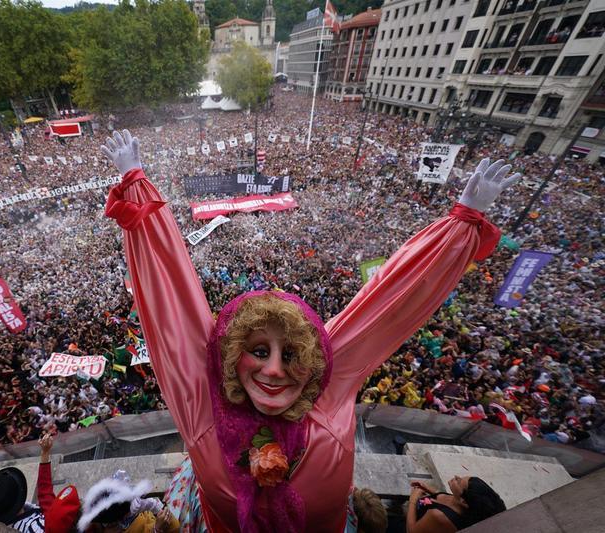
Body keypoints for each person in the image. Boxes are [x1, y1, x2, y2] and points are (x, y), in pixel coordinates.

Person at [99, 129, 522, 532]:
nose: (274, 370)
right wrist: (136, 190)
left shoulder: (329, 383)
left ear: (315, 360)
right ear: (229, 357)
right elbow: (172, 302)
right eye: (259, 351)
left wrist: (461, 226)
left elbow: (391, 300)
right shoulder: (202, 399)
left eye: (291, 355)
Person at [406, 476, 506, 532]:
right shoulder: (460, 500)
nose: (457, 476)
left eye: (459, 481)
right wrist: (429, 489)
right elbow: (443, 498)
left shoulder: (440, 516)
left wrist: (413, 500)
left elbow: (411, 531)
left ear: (463, 501)